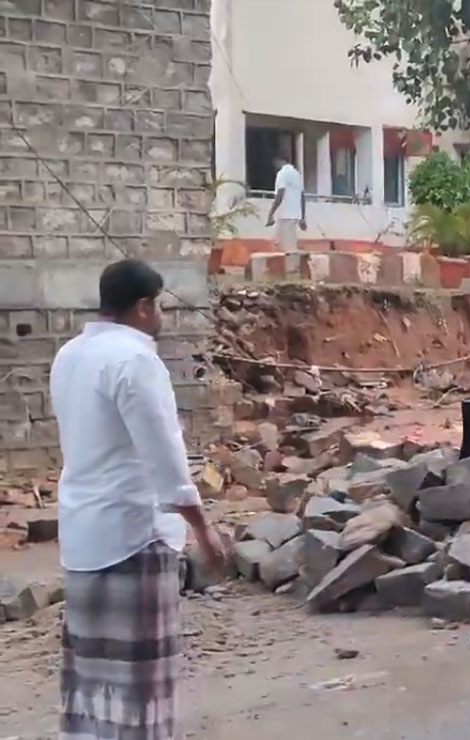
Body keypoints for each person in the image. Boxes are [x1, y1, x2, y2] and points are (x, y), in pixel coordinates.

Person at [51, 260, 225, 740]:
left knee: (92, 681)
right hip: (134, 536)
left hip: (83, 534)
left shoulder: (69, 354)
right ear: (144, 306)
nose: (161, 316)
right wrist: (202, 527)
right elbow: (165, 459)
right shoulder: (135, 360)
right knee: (141, 687)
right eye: (160, 306)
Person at [265, 151, 307, 250]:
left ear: (280, 161)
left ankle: (293, 259)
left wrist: (271, 213)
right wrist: (302, 217)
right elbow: (302, 197)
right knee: (278, 244)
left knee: (288, 247)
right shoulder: (297, 174)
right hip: (294, 215)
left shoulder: (282, 174)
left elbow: (280, 193)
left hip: (285, 214)